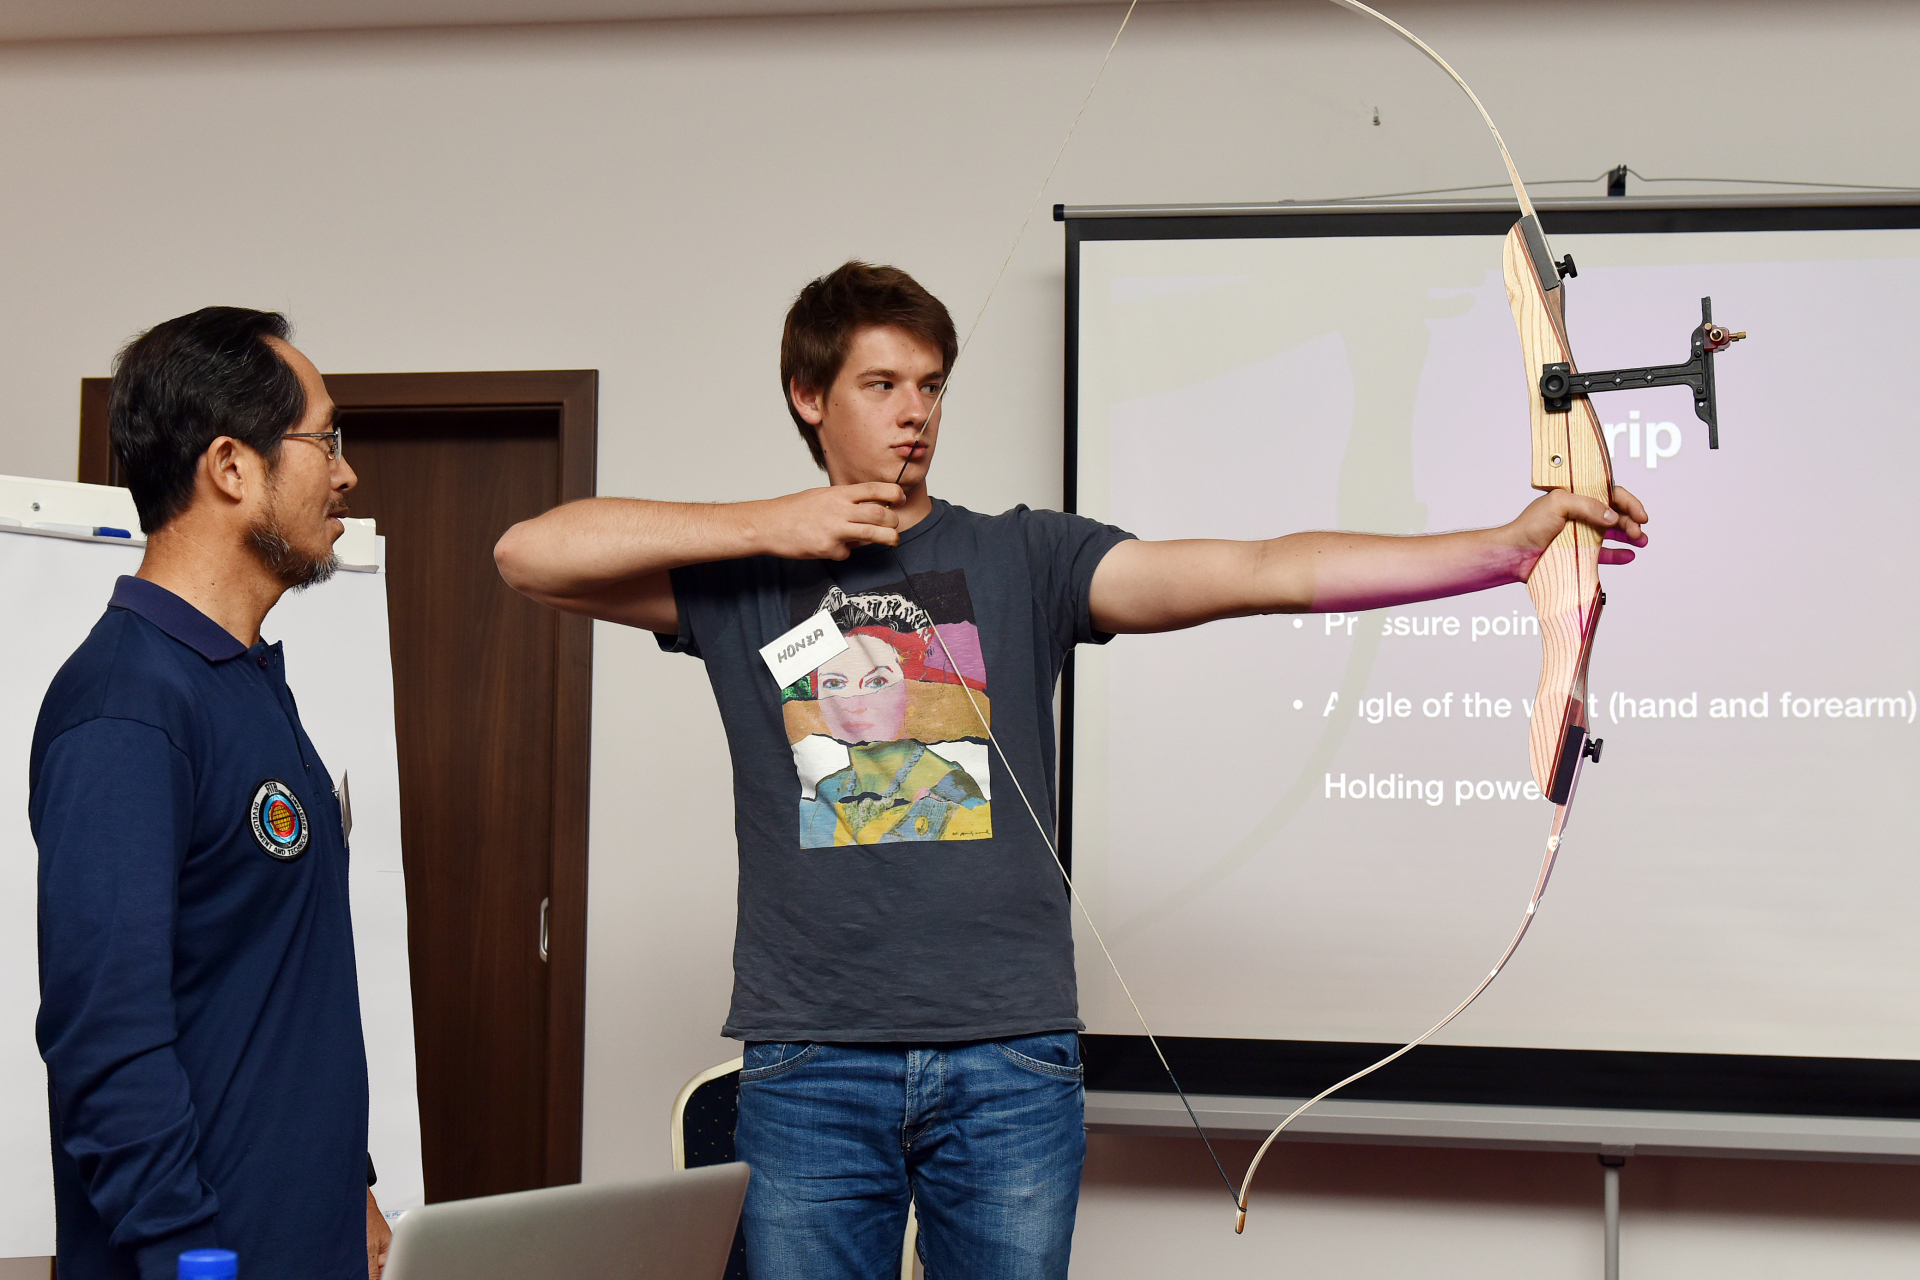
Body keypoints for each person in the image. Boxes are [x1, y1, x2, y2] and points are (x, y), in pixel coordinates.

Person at [492, 261, 1648, 1278]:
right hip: (811, 1063)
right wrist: (773, 523)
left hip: (1007, 1059)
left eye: (930, 385)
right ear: (810, 395)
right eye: (881, 384)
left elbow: (1262, 568)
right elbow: (527, 553)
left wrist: (1499, 550)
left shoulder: (1025, 554)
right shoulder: (742, 579)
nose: (914, 413)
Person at [31, 308, 391, 1280]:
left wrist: (349, 1186)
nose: (347, 474)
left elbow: (277, 980)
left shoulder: (245, 681)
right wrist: (188, 1255)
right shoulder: (127, 706)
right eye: (325, 440)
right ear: (231, 466)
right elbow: (107, 1042)